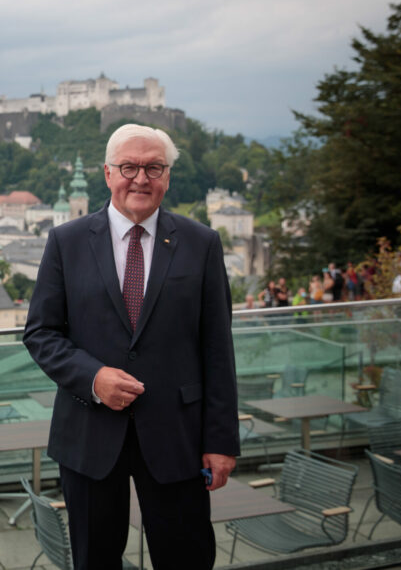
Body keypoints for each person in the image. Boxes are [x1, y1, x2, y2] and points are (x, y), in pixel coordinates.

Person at [23, 124, 239, 569]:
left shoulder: (201, 244)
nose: (141, 178)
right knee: (95, 560)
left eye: (154, 168)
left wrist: (221, 441)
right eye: (129, 167)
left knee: (187, 559)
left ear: (167, 177)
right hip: (89, 434)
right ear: (107, 173)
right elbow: (40, 332)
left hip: (178, 437)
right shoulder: (66, 241)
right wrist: (93, 377)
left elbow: (217, 348)